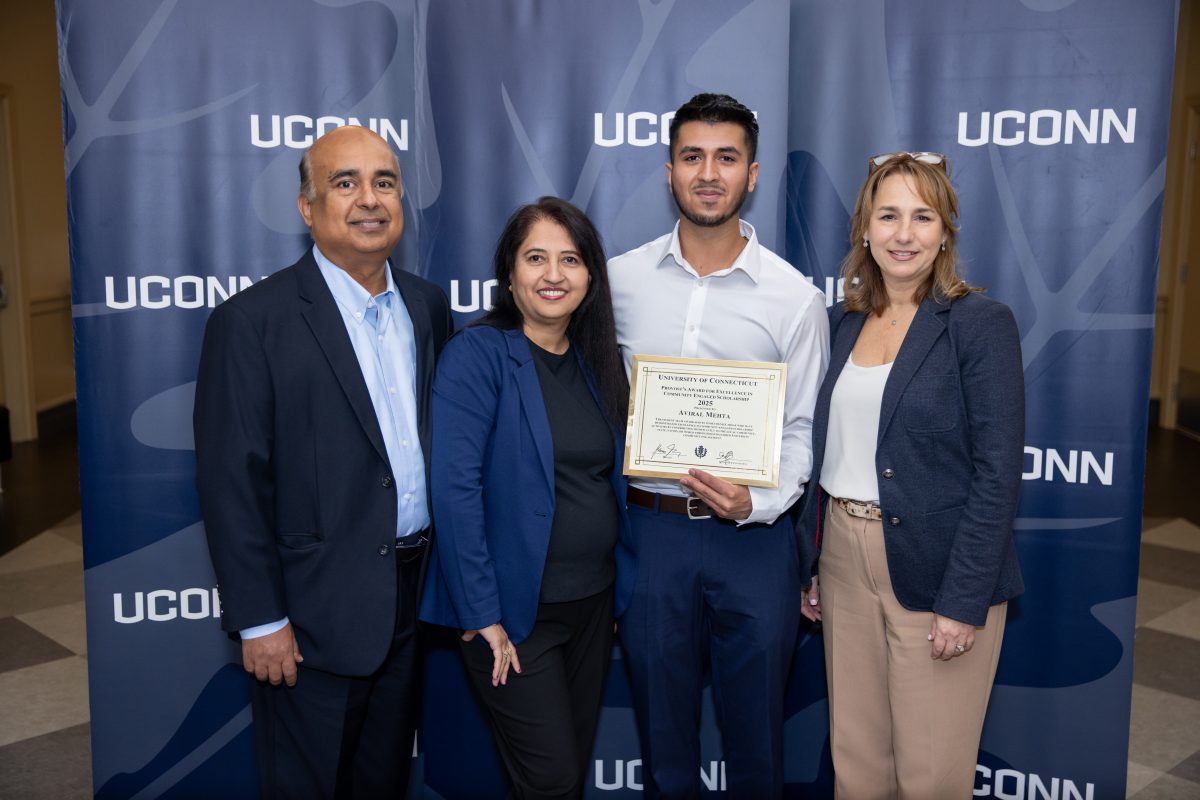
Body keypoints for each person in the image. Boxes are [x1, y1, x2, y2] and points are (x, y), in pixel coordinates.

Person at [194, 125, 453, 799]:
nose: (370, 200)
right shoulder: (251, 323)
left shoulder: (427, 307)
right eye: (345, 183)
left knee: (382, 783)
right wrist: (260, 619)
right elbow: (232, 485)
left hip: (409, 600)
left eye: (385, 182)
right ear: (307, 209)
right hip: (307, 623)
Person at [608, 93, 830, 798]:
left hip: (755, 543)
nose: (709, 173)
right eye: (693, 156)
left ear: (752, 174)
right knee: (663, 741)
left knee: (757, 741)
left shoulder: (794, 298)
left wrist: (758, 501)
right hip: (650, 533)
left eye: (726, 158)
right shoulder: (617, 282)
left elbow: (800, 430)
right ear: (670, 171)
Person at [796, 152, 1025, 799]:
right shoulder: (841, 325)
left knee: (930, 775)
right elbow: (826, 455)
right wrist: (811, 564)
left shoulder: (979, 325)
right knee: (858, 763)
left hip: (940, 569)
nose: (903, 233)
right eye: (888, 214)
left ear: (946, 229)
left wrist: (964, 600)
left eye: (922, 216)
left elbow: (997, 473)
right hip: (842, 559)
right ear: (864, 228)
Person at [419, 197, 631, 799]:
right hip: (513, 614)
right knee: (552, 779)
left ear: (591, 276)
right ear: (509, 274)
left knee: (560, 778)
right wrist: (481, 613)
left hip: (593, 605)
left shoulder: (599, 364)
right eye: (535, 257)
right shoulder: (478, 355)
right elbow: (455, 490)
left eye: (570, 259)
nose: (553, 274)